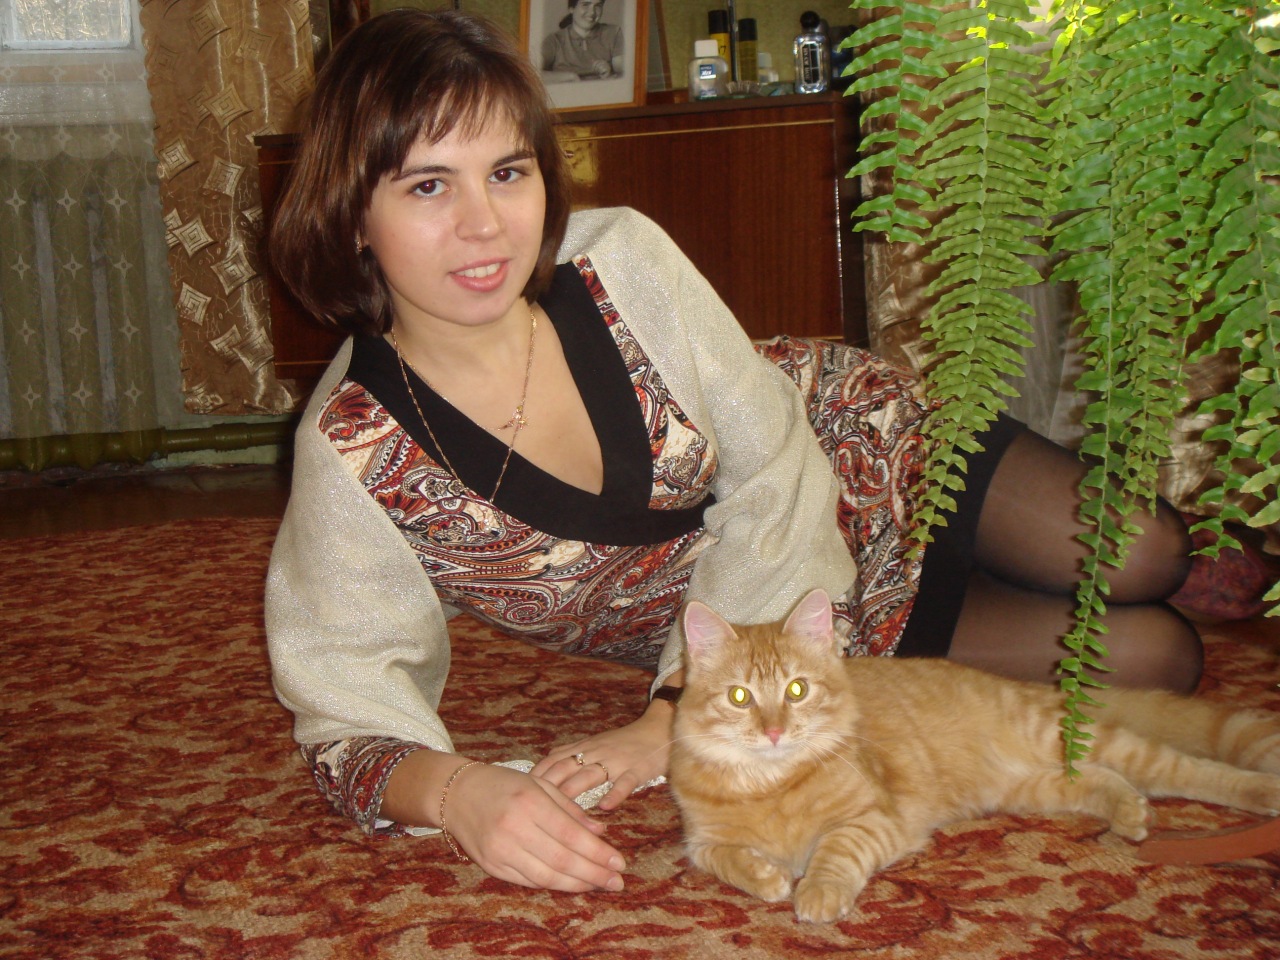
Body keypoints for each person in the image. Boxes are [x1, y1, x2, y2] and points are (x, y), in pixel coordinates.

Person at [265, 9, 1236, 896]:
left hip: (855, 453)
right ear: (352, 212)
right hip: (787, 641)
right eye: (429, 184)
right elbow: (347, 706)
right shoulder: (356, 452)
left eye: (508, 172)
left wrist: (668, 720)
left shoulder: (620, 260)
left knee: (1146, 549)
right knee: (1154, 656)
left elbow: (775, 471)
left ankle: (1175, 567)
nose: (484, 223)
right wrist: (460, 794)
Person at [540, 0, 623, 82]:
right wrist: (570, 77)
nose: (592, 12)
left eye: (598, 6)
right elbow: (533, 73)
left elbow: (625, 75)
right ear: (571, 8)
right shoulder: (554, 40)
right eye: (585, 4)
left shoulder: (614, 33)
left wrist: (610, 72)